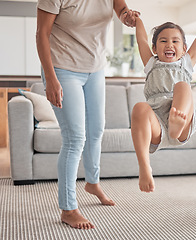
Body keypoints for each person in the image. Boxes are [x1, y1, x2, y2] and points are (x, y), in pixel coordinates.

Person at [36, 0, 139, 230]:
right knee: (75, 138)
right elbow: (42, 33)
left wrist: (127, 17)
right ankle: (68, 208)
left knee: (96, 130)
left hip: (95, 69)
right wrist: (51, 79)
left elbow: (121, 10)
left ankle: (92, 183)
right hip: (62, 67)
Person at [131, 3, 196, 193]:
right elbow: (141, 41)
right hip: (158, 123)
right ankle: (144, 166)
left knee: (182, 86)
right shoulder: (151, 64)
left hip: (182, 118)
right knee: (139, 107)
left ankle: (176, 123)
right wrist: (138, 20)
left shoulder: (186, 63)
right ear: (155, 48)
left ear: (183, 49)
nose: (169, 45)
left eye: (175, 41)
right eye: (163, 41)